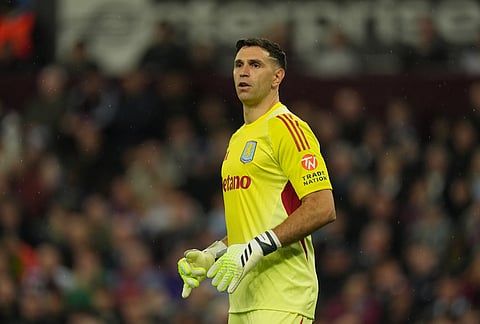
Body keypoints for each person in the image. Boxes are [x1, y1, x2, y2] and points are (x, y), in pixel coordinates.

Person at [177, 38, 336, 324]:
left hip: (283, 298)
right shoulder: (238, 138)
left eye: (255, 65)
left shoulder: (287, 128)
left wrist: (258, 246)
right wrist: (213, 254)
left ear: (278, 76)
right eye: (238, 65)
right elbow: (252, 227)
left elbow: (323, 207)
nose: (243, 72)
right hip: (241, 302)